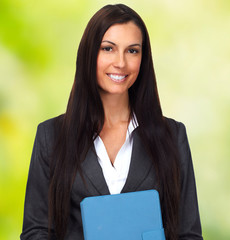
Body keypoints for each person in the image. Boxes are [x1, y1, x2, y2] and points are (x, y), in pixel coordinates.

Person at [20, 4, 202, 240]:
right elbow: (36, 232)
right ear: (89, 54)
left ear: (143, 59)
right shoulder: (51, 136)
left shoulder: (172, 135)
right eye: (108, 48)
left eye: (132, 51)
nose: (121, 62)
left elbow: (188, 234)